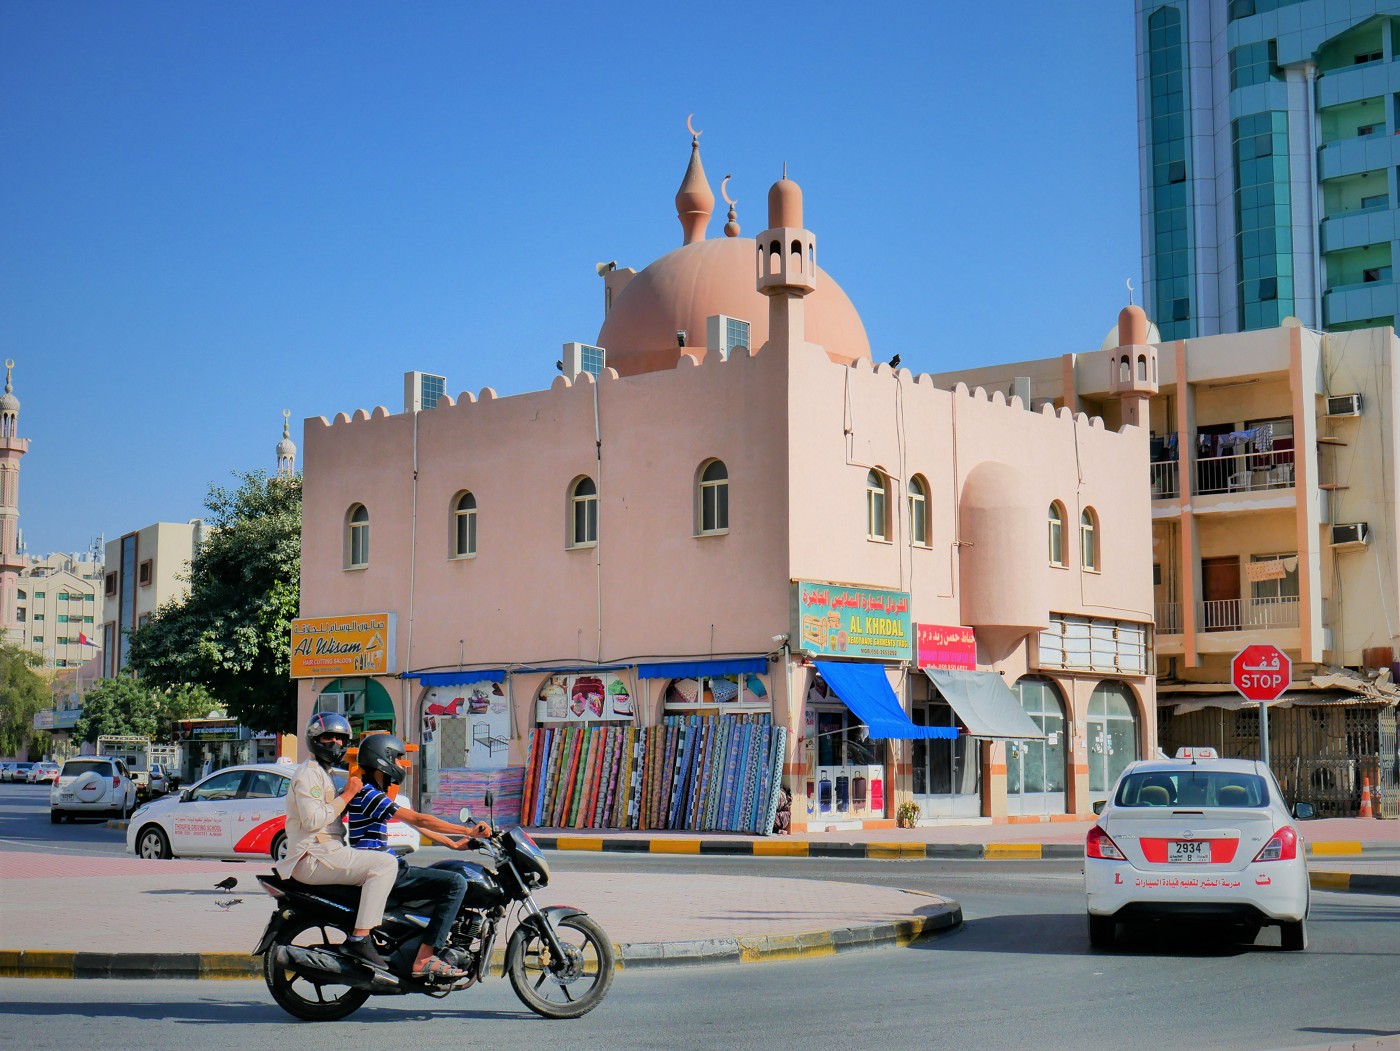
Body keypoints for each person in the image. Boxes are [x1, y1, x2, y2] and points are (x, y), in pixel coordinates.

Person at [349, 732, 493, 980]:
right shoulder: (368, 794)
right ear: (383, 760)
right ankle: (424, 959)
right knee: (455, 883)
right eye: (396, 759)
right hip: (381, 869)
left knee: (447, 875)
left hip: (383, 867)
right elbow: (419, 818)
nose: (399, 765)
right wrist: (467, 830)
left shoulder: (371, 793)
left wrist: (454, 845)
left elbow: (418, 826)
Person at [278, 712, 399, 970]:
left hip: (326, 852)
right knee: (385, 865)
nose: (335, 743)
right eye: (327, 737)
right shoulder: (309, 774)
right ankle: (360, 937)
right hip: (314, 854)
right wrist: (348, 794)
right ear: (314, 740)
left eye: (340, 738)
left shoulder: (326, 773)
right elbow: (313, 821)